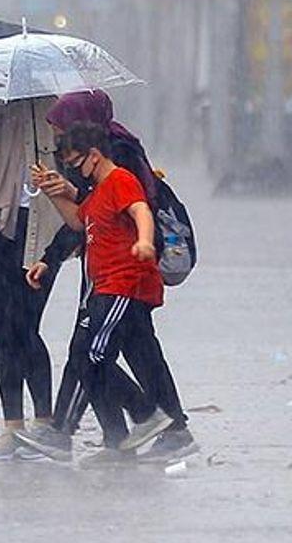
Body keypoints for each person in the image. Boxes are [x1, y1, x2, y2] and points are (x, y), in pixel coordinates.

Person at [17, 90, 195, 463]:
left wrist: (144, 242)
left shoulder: (118, 156)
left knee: (89, 353)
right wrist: (51, 249)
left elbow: (133, 207)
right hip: (107, 268)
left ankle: (79, 429)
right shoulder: (88, 163)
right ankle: (142, 435)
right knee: (137, 351)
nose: (60, 142)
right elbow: (83, 217)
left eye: (63, 130)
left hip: (124, 271)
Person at [0, 98, 64, 461]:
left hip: (39, 229)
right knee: (0, 330)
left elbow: (73, 170)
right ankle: (12, 426)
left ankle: (45, 422)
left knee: (25, 326)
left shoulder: (52, 110)